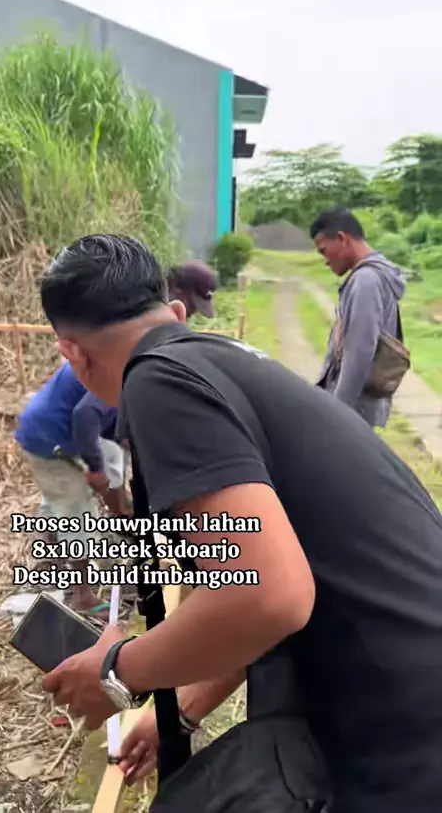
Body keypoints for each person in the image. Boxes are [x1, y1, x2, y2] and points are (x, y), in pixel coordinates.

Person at [39, 234, 442, 812]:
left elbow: (271, 597)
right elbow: (251, 584)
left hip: (401, 725)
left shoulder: (157, 382)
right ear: (176, 312)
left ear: (72, 354)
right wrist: (183, 706)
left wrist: (116, 672)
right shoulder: (223, 361)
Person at [15, 362, 131, 620]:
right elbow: (86, 414)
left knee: (61, 497)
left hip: (47, 428)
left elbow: (113, 447)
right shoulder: (121, 371)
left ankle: (50, 544)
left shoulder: (122, 362)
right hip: (51, 439)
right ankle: (83, 596)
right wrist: (96, 470)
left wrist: (119, 500)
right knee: (77, 513)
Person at [310, 206, 407, 428]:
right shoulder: (374, 275)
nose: (325, 260)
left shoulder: (366, 281)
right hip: (360, 407)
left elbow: (359, 353)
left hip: (355, 411)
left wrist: (338, 414)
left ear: (342, 239)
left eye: (324, 251)